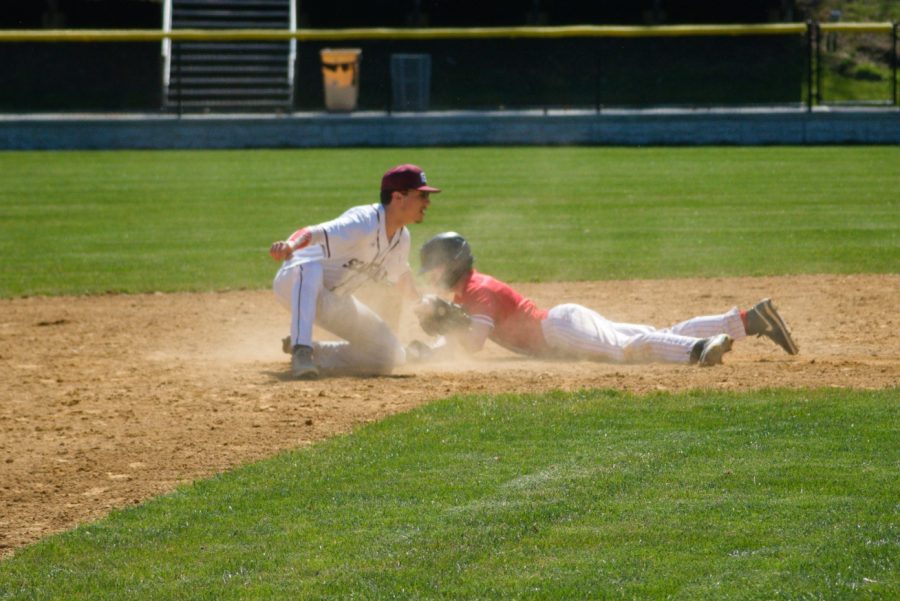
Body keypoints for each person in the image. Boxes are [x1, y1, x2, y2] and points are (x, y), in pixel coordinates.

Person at [410, 232, 798, 367]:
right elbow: (466, 334)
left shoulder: (477, 291)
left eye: (434, 269)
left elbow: (473, 342)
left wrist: (446, 326)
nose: (432, 277)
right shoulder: (470, 291)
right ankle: (749, 320)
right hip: (564, 326)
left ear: (452, 264)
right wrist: (431, 350)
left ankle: (698, 350)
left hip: (560, 330)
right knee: (653, 335)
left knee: (627, 350)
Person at [269, 164, 440, 379]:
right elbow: (313, 232)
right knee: (309, 266)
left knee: (391, 355)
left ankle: (318, 351)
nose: (427, 202)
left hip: (336, 300)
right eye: (421, 196)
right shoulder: (362, 222)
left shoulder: (402, 238)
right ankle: (301, 351)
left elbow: (401, 276)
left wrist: (421, 306)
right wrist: (290, 245)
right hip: (295, 284)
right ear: (398, 197)